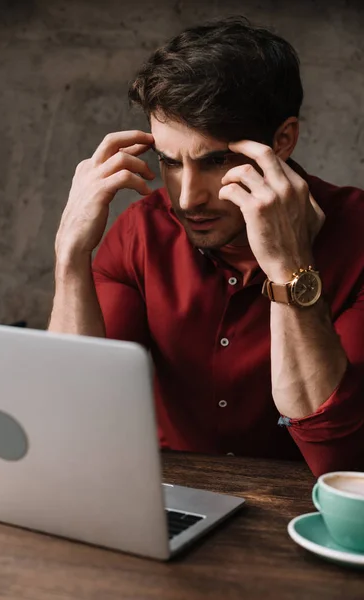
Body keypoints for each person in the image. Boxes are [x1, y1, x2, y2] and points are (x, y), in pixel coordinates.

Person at [49, 17, 364, 477]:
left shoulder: (357, 236)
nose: (186, 198)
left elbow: (337, 458)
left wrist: (289, 265)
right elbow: (73, 417)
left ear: (283, 140)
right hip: (168, 500)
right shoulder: (142, 232)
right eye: (170, 162)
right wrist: (70, 256)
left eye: (215, 161)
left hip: (306, 514)